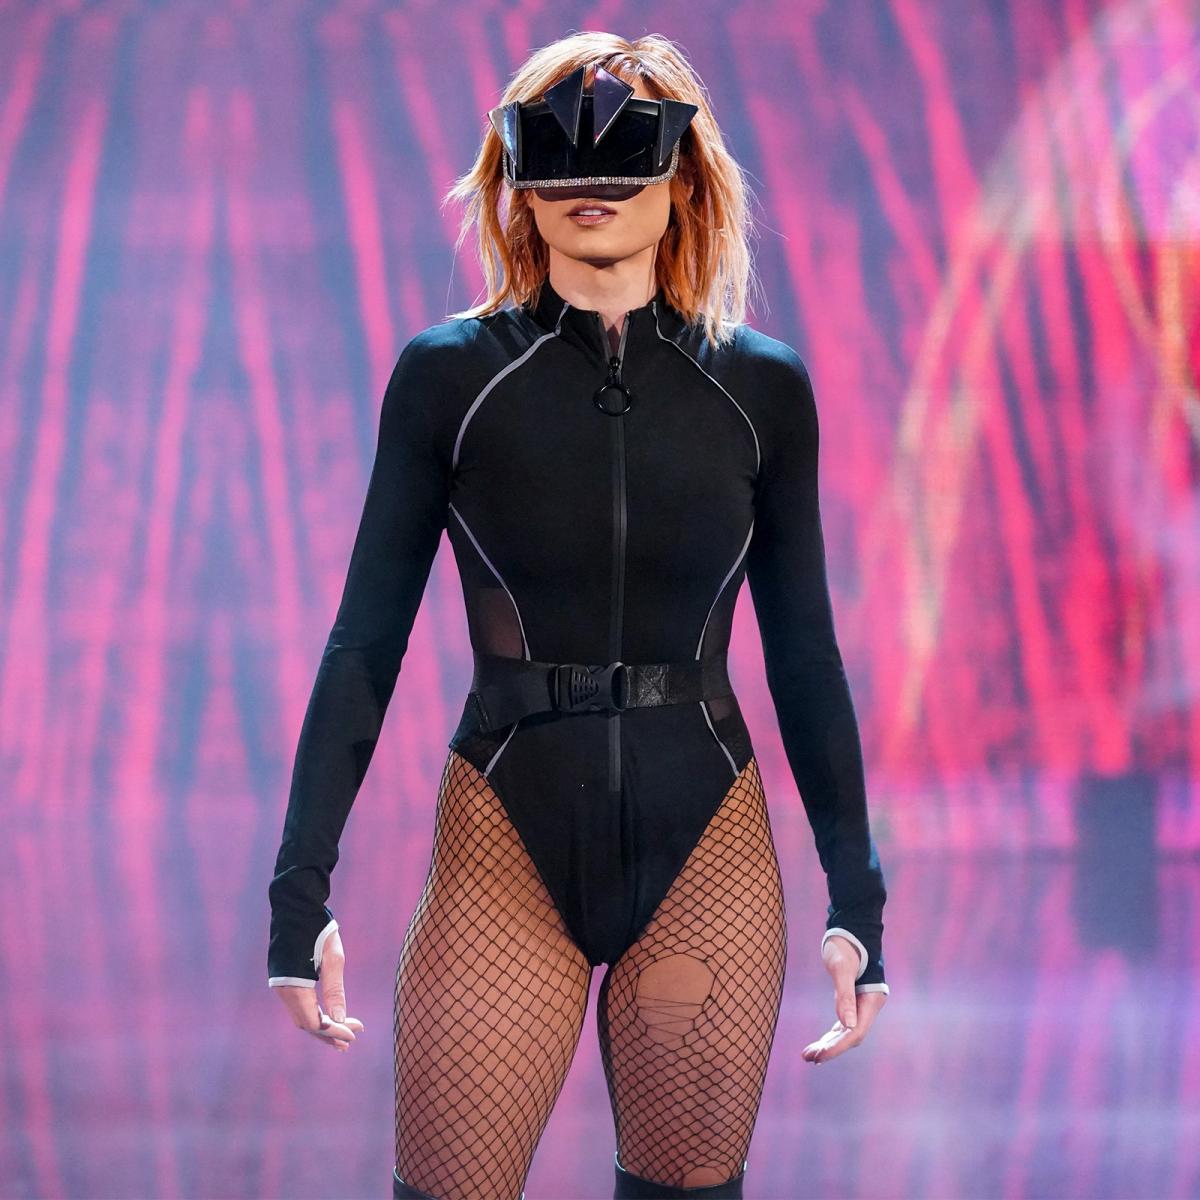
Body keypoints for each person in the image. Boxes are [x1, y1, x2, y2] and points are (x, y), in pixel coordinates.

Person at [267, 31, 889, 1200]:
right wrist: (299, 892)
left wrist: (860, 900)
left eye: (624, 157)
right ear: (516, 179)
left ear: (684, 178)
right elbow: (366, 640)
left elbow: (804, 653)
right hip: (506, 835)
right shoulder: (449, 377)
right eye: (556, 157)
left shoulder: (761, 390)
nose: (590, 187)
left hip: (706, 847)